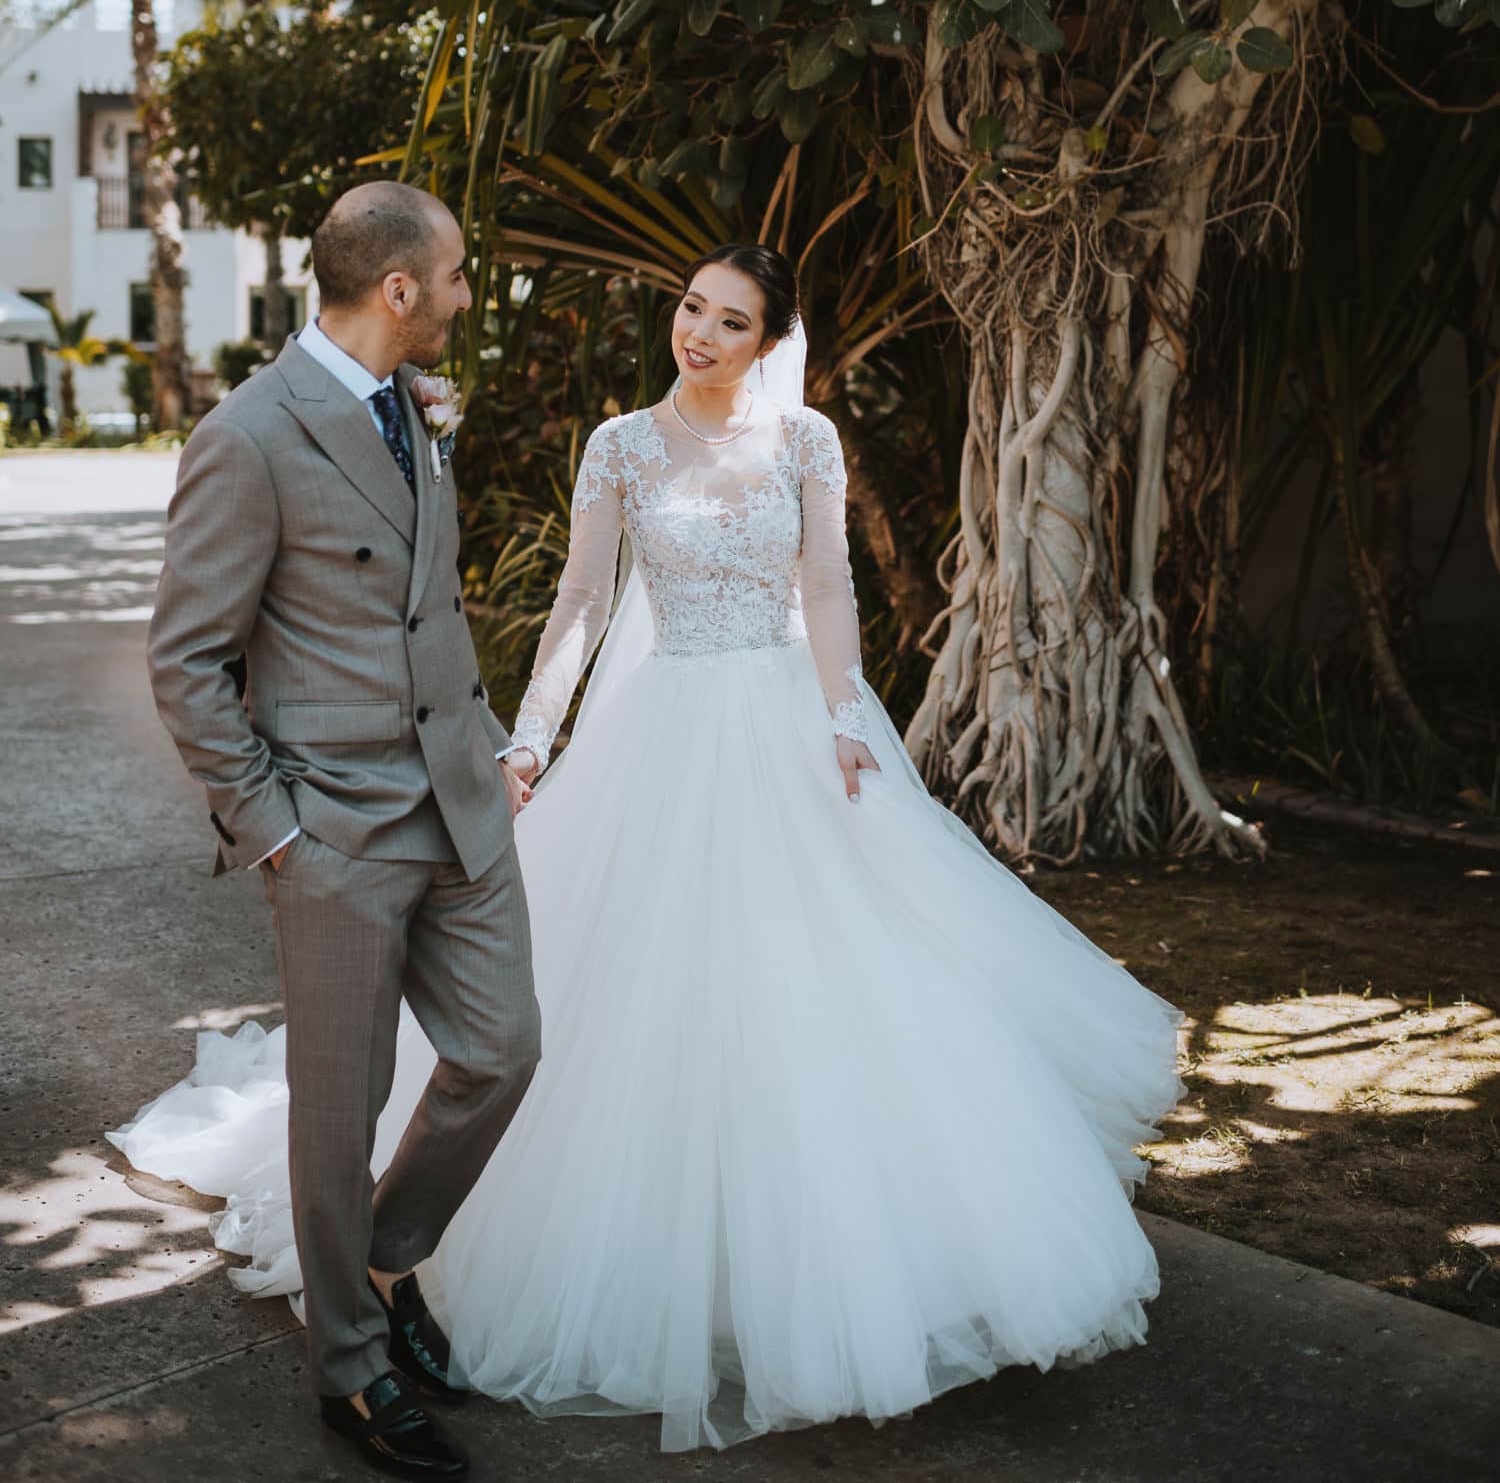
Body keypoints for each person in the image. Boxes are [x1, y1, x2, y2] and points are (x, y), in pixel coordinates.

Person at [115, 240, 1186, 1456]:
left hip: (784, 726)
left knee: (810, 994)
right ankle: (378, 1290)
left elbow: (827, 589)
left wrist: (845, 719)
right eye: (691, 308)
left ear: (769, 344)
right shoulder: (619, 445)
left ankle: (776, 1260)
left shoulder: (806, 443)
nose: (701, 333)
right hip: (661, 730)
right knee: (578, 1011)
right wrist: (528, 742)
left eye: (731, 321)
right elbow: (581, 601)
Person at [130, 182, 541, 1482]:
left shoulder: (413, 403)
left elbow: (430, 606)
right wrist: (276, 833)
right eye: (459, 277)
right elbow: (188, 660)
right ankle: (350, 1368)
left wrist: (485, 739)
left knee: (504, 1049)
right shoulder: (249, 434)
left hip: (461, 803)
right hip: (335, 835)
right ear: (400, 292)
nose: (470, 296)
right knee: (339, 1105)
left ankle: (382, 1253)